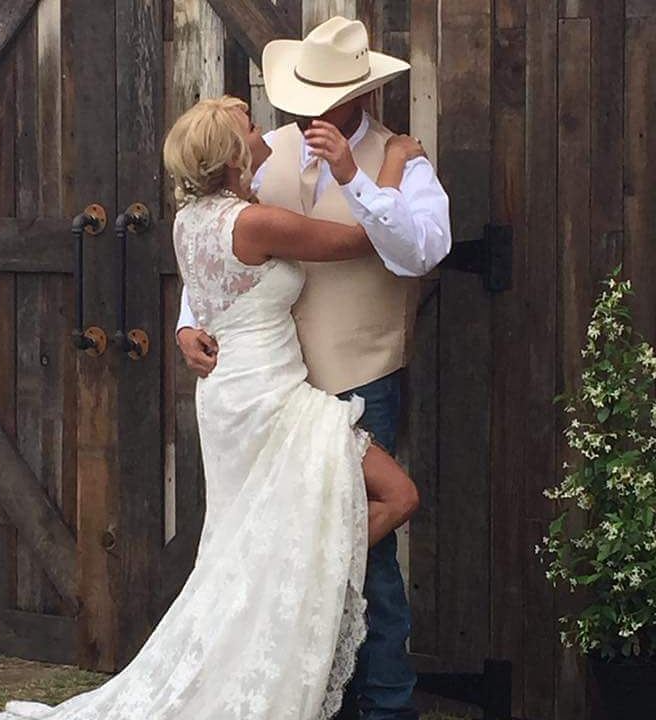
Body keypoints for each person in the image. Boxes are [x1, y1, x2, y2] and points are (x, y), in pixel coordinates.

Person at [0, 95, 423, 720]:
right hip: (270, 401)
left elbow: (207, 296)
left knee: (246, 532)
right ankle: (284, 591)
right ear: (233, 157)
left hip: (229, 398)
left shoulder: (188, 221)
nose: (264, 132)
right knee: (399, 495)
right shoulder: (254, 223)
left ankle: (270, 593)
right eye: (250, 128)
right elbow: (364, 239)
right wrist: (391, 162)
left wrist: (184, 329)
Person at [176, 16, 452, 720]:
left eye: (324, 99)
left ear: (361, 95)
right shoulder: (260, 153)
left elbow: (418, 254)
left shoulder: (404, 159)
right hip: (270, 389)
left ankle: (384, 706)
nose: (305, 116)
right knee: (274, 529)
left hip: (357, 376)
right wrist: (188, 323)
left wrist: (360, 176)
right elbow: (218, 242)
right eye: (301, 99)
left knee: (372, 564)